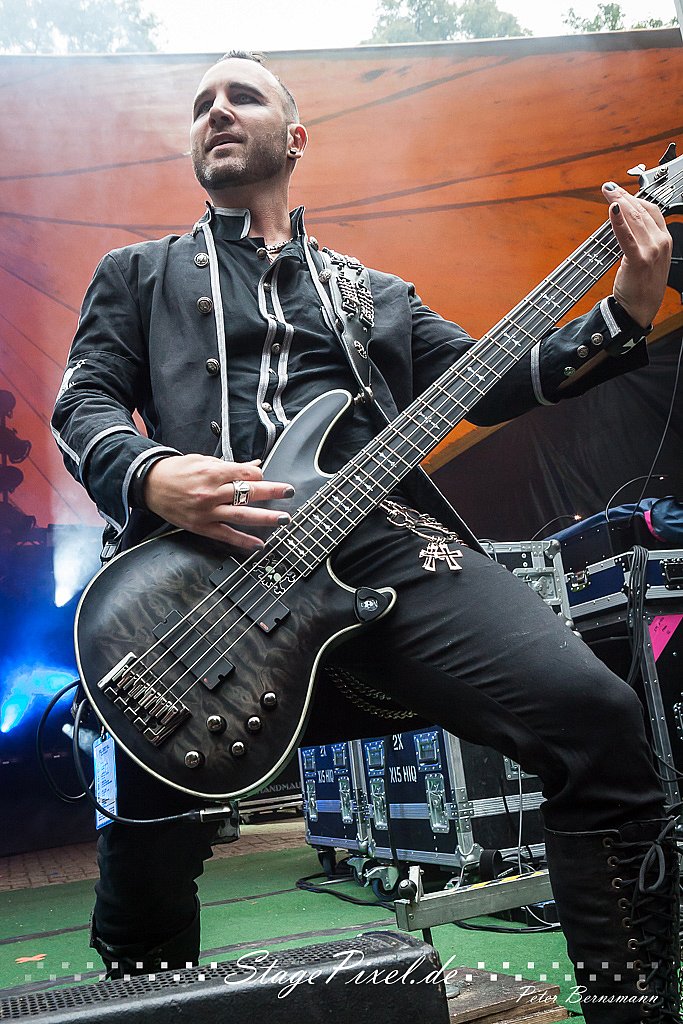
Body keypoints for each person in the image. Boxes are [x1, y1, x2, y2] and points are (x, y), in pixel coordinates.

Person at [52, 50, 678, 1022]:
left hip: (384, 544)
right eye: (202, 102)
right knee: (146, 832)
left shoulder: (374, 294)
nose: (217, 111)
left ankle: (631, 1008)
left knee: (598, 719)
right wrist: (150, 474)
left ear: (294, 137)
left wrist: (625, 310)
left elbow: (497, 380)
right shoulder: (137, 275)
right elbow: (84, 400)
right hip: (201, 573)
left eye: (242, 95)